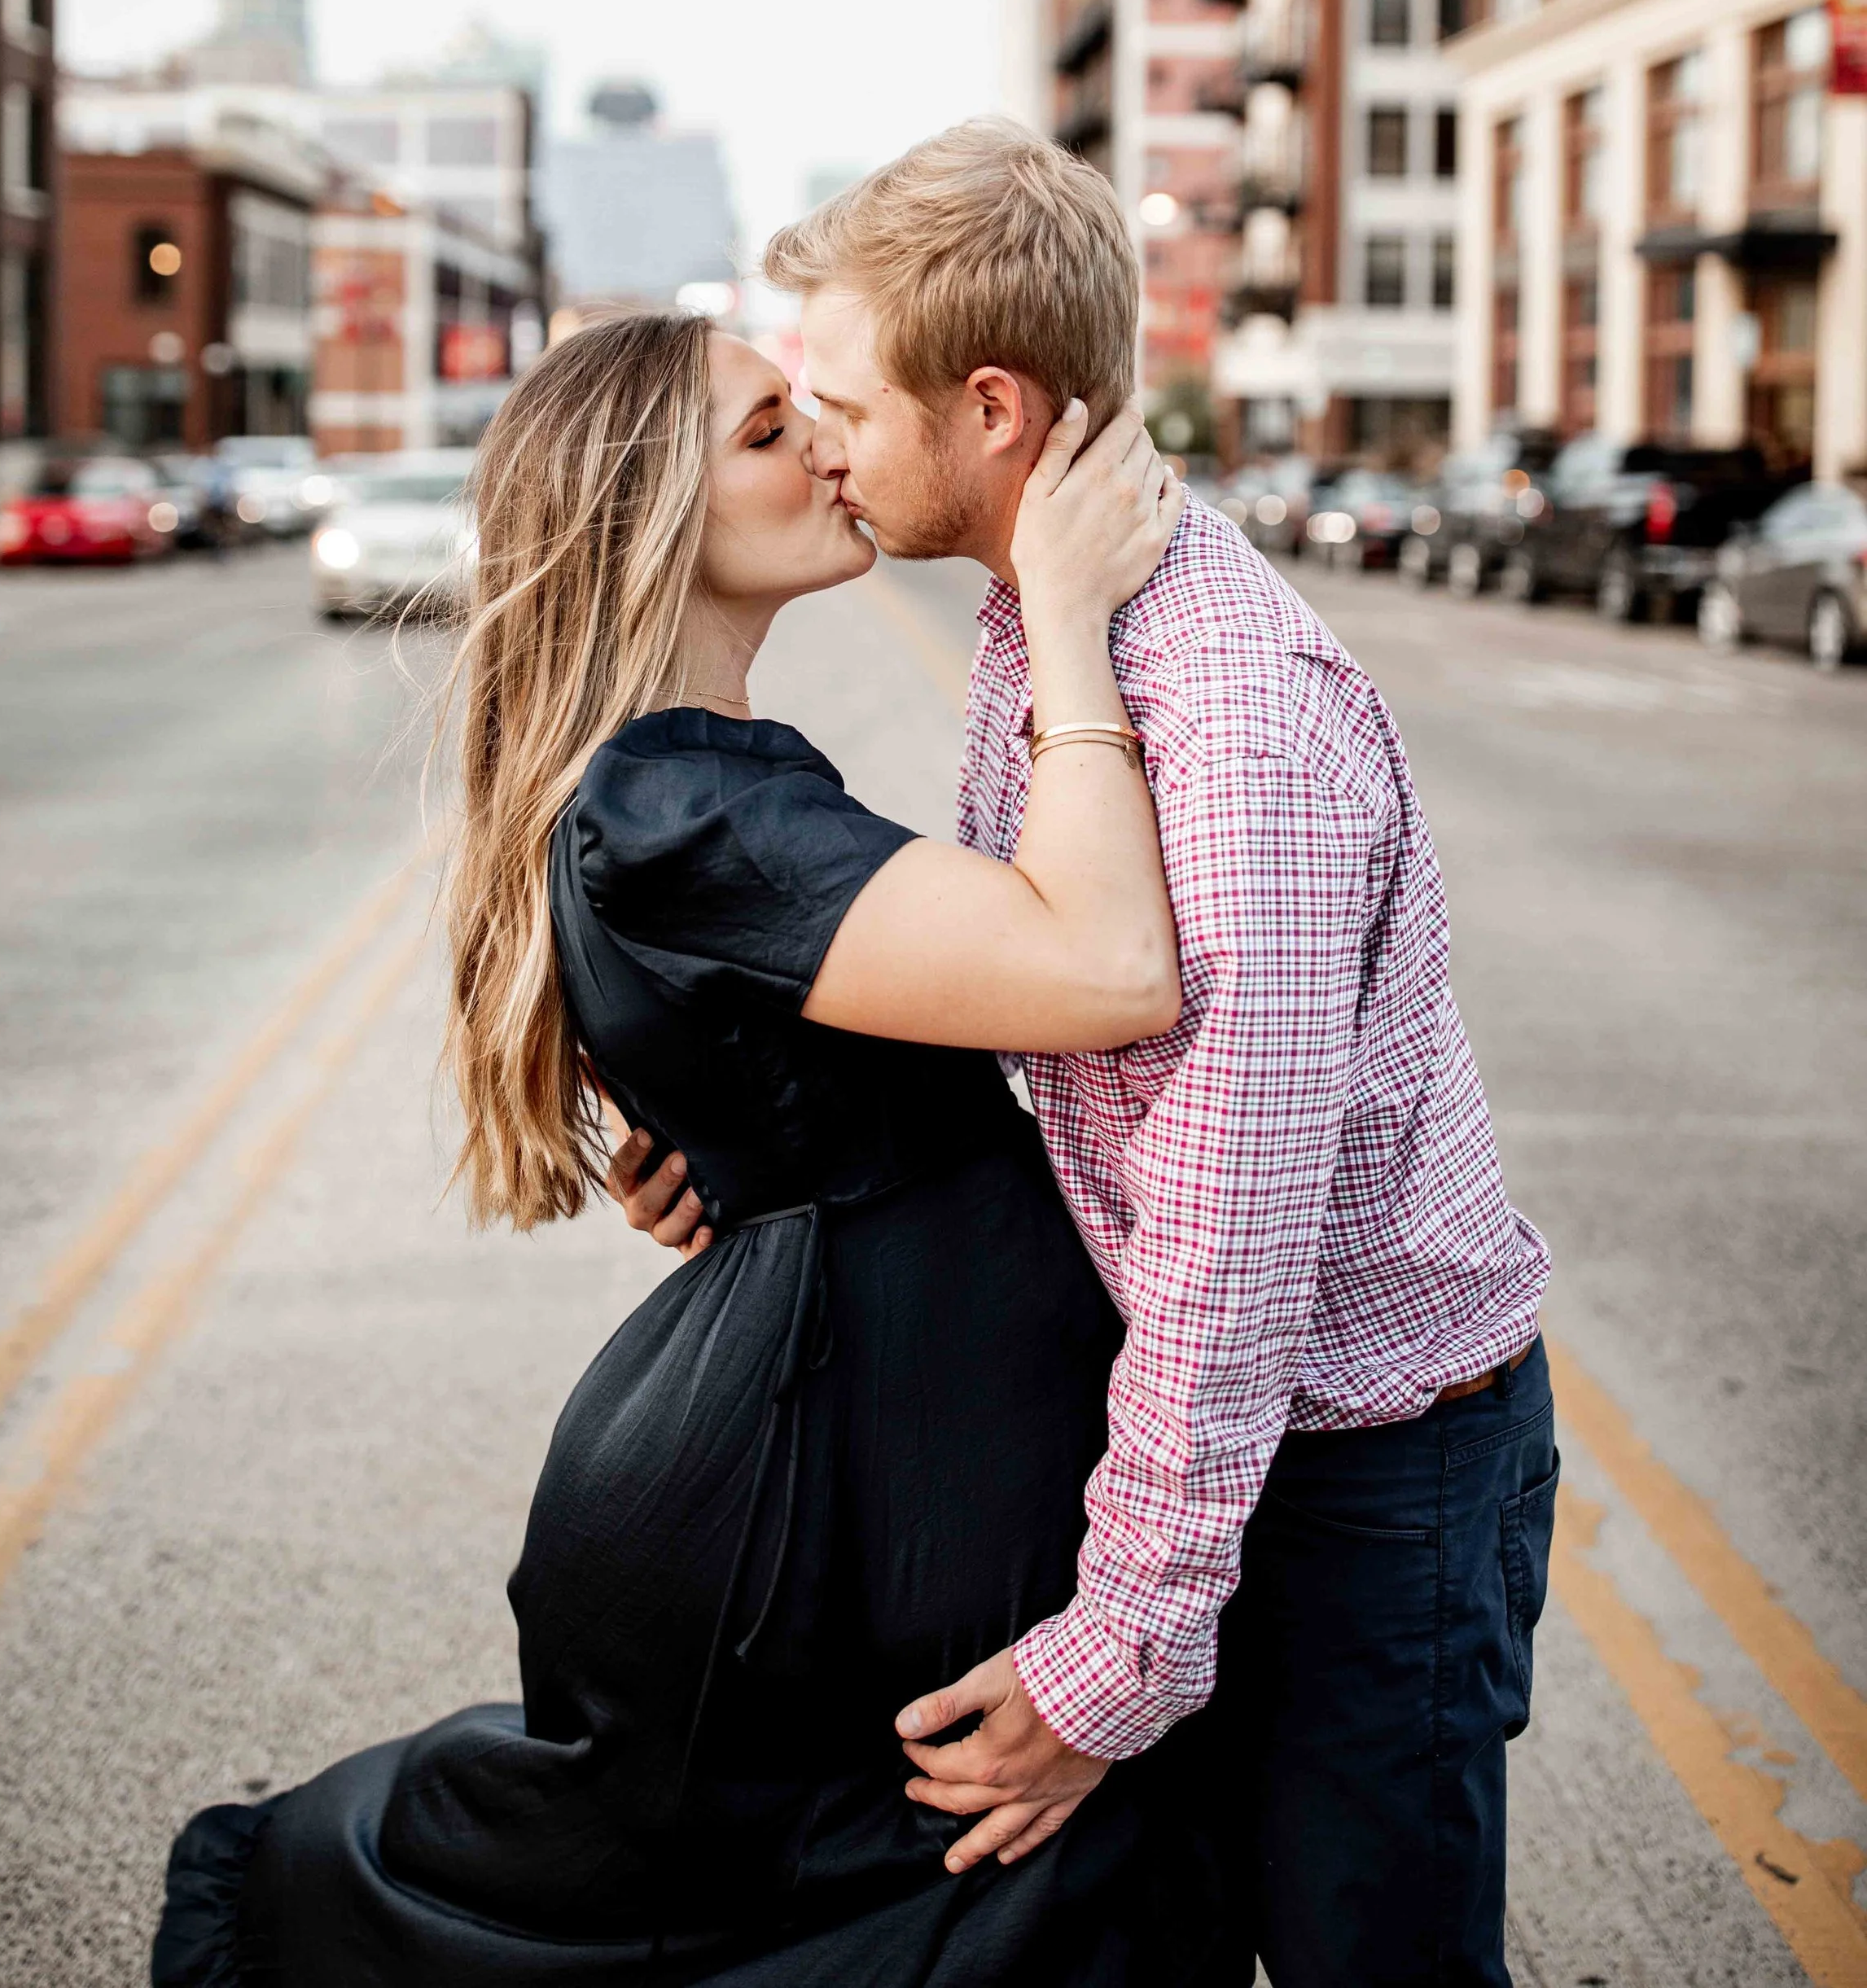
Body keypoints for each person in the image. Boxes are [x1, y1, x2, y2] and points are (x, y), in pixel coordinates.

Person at [612, 118, 1558, 1988]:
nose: (826, 448)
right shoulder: (1057, 625)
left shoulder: (1232, 738)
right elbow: (1041, 1046)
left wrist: (1112, 1652)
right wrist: (759, 1155)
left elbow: (1223, 1255)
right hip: (1213, 1458)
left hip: (1359, 1483)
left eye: (846, 408)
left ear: (987, 408)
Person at [153, 304, 1202, 1988]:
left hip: (829, 1415)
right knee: (921, 1898)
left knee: (900, 1897)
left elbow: (759, 1073)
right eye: (764, 432)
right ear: (651, 513)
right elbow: (1102, 968)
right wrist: (1068, 621)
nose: (825, 446)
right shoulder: (678, 797)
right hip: (824, 1470)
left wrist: (738, 1153)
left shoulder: (673, 780)